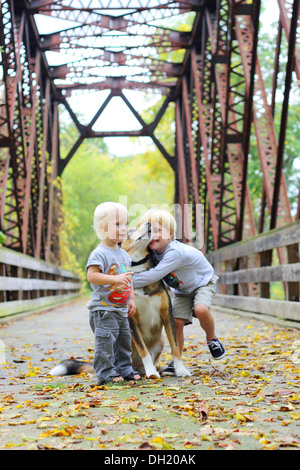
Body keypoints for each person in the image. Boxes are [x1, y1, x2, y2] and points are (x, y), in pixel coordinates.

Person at [132, 209, 225, 376]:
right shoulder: (151, 253)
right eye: (149, 231)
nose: (153, 235)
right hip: (182, 290)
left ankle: (212, 339)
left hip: (202, 282)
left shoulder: (175, 253)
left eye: (158, 230)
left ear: (171, 235)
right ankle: (177, 361)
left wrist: (124, 282)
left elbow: (153, 275)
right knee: (176, 322)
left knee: (201, 309)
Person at [86, 201, 141, 385]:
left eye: (126, 224)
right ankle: (105, 372)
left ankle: (124, 368)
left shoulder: (124, 254)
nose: (124, 228)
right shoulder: (99, 253)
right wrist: (115, 279)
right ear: (102, 228)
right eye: (118, 224)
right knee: (106, 343)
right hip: (103, 309)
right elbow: (92, 276)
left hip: (120, 308)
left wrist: (131, 298)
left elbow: (128, 279)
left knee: (124, 341)